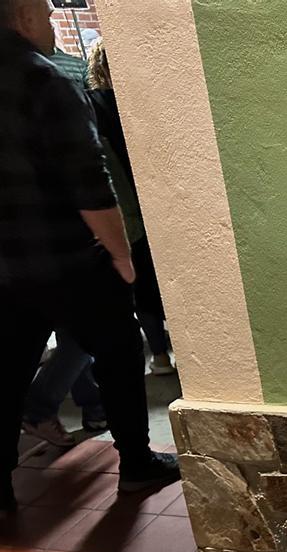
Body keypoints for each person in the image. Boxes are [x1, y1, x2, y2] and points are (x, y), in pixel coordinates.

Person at [0, 0, 179, 513]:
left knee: (7, 369)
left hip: (7, 270)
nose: (54, 19)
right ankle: (137, 466)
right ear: (22, 14)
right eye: (46, 8)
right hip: (68, 261)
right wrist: (123, 258)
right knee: (121, 354)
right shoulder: (45, 79)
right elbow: (90, 184)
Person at [86, 37, 175, 376]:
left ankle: (160, 355)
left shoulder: (93, 105)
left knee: (143, 288)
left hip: (129, 212)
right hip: (160, 201)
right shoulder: (144, 103)